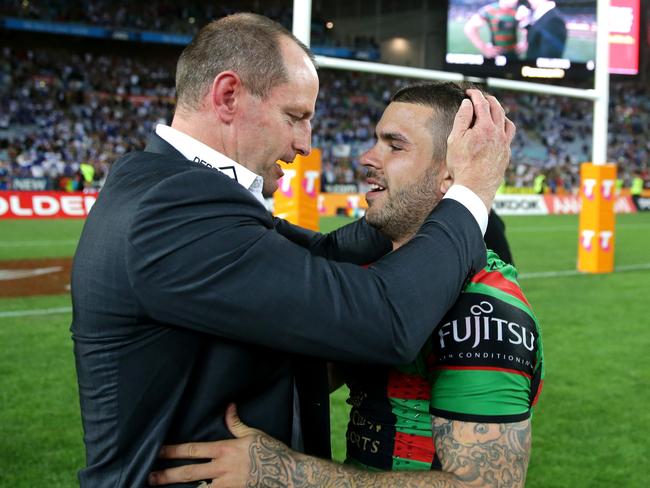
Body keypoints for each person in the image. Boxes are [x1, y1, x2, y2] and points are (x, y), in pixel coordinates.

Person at [71, 14, 514, 487]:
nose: (305, 144)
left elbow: (321, 252)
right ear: (227, 96)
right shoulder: (174, 207)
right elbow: (385, 319)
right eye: (295, 117)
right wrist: (470, 192)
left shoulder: (160, 184)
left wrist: (405, 204)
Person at [147, 82, 542, 488]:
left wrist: (289, 474)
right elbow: (303, 372)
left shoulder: (483, 313)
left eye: (395, 145)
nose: (367, 158)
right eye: (375, 141)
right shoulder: (377, 278)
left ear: (451, 172)